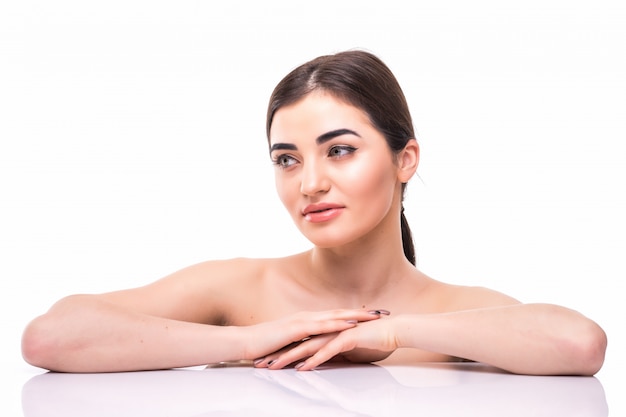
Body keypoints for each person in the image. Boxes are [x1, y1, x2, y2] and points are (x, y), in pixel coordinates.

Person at [21, 49, 607, 375]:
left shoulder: (453, 311)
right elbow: (53, 338)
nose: (311, 183)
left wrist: (396, 331)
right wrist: (248, 340)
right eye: (287, 159)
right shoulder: (238, 287)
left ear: (406, 160)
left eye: (341, 150)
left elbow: (580, 345)